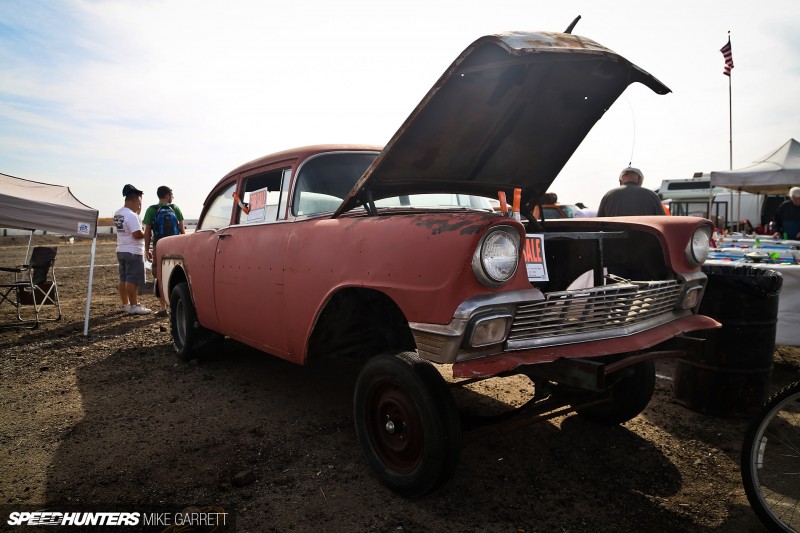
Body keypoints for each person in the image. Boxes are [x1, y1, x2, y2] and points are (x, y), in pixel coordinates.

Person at [143, 186, 186, 316]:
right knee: (178, 273)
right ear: (167, 195)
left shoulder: (151, 210)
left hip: (159, 246)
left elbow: (147, 232)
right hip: (175, 245)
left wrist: (147, 249)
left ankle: (163, 308)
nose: (172, 197)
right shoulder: (175, 208)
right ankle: (177, 304)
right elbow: (182, 230)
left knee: (159, 276)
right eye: (171, 195)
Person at [114, 184, 151, 315]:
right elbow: (137, 234)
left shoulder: (118, 213)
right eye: (139, 203)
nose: (140, 206)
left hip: (121, 249)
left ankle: (126, 304)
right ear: (134, 200)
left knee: (123, 278)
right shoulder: (131, 216)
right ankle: (134, 305)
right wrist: (147, 233)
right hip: (133, 251)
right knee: (132, 280)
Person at [597, 167, 666, 217]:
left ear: (620, 181)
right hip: (643, 233)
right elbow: (663, 220)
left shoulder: (608, 196)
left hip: (614, 233)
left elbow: (598, 221)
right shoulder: (652, 196)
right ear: (639, 180)